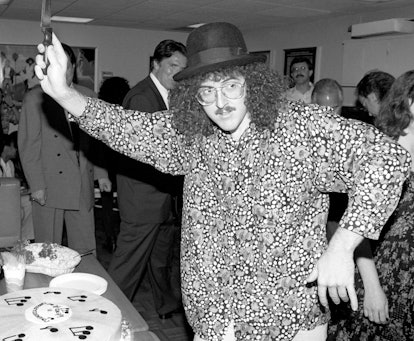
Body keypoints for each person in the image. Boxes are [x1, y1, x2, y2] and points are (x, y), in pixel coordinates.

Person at [34, 23, 411, 341]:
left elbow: (388, 159)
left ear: (252, 83)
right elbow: (130, 128)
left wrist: (343, 246)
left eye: (231, 86)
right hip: (214, 320)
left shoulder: (300, 129)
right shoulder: (195, 136)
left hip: (284, 323)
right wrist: (64, 93)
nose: (220, 102)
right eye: (207, 91)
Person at [329, 70, 414, 341]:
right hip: (383, 273)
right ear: (407, 103)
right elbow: (357, 225)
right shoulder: (383, 153)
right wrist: (373, 287)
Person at [108, 40, 187, 319]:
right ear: (155, 64)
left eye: (182, 69)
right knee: (128, 264)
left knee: (160, 259)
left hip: (162, 197)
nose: (177, 73)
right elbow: (141, 153)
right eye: (172, 66)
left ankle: (165, 305)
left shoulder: (168, 94)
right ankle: (107, 312)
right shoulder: (142, 96)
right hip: (143, 198)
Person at [18, 43, 111, 254]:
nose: (64, 71)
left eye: (67, 66)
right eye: (58, 66)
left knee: (86, 247)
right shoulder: (35, 98)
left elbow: (96, 141)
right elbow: (28, 147)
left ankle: (84, 283)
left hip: (81, 180)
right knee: (47, 248)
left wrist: (101, 174)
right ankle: (46, 285)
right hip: (50, 184)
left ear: (73, 68)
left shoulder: (88, 96)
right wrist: (37, 186)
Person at [96, 76, 131, 252]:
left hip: (105, 162)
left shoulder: (103, 111)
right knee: (125, 203)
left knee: (106, 203)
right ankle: (125, 239)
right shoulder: (127, 111)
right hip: (124, 164)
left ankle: (110, 237)